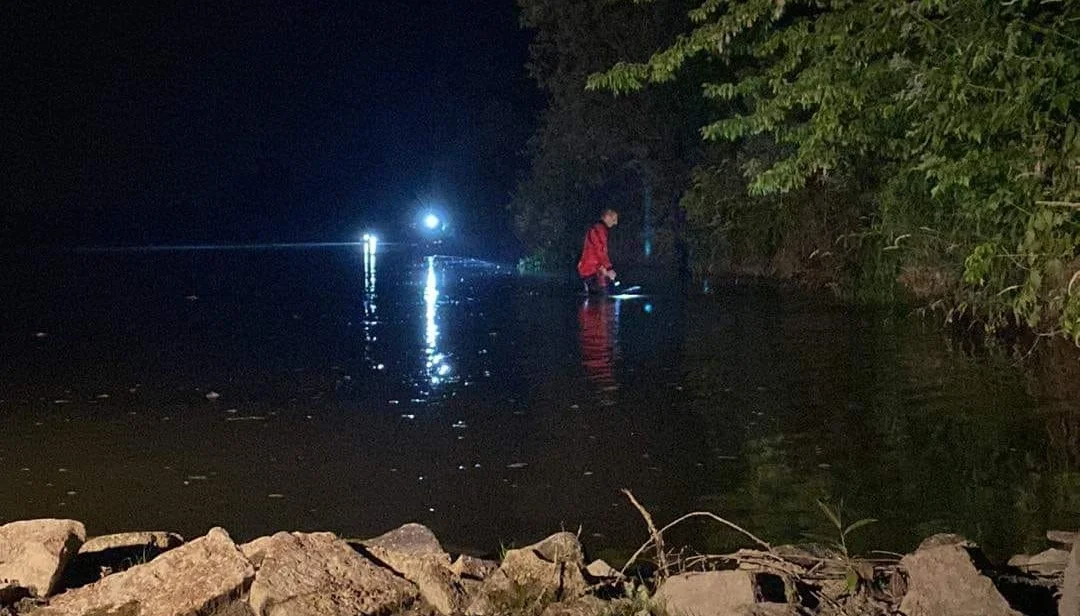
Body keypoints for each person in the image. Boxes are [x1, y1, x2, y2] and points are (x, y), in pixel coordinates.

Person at [577, 208, 618, 294]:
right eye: (614, 219)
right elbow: (600, 250)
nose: (615, 223)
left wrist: (604, 268)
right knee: (603, 295)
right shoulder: (599, 230)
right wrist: (608, 268)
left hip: (590, 270)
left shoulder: (597, 229)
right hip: (591, 271)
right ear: (606, 217)